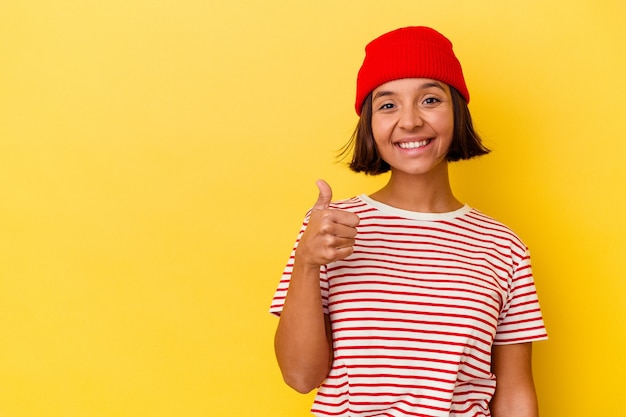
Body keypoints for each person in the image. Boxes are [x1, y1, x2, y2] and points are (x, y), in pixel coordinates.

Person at [270, 26, 547, 417]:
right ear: (369, 124)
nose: (411, 121)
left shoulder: (504, 247)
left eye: (430, 99)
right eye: (388, 105)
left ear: (458, 113)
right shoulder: (330, 230)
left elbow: (516, 391)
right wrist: (306, 262)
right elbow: (300, 376)